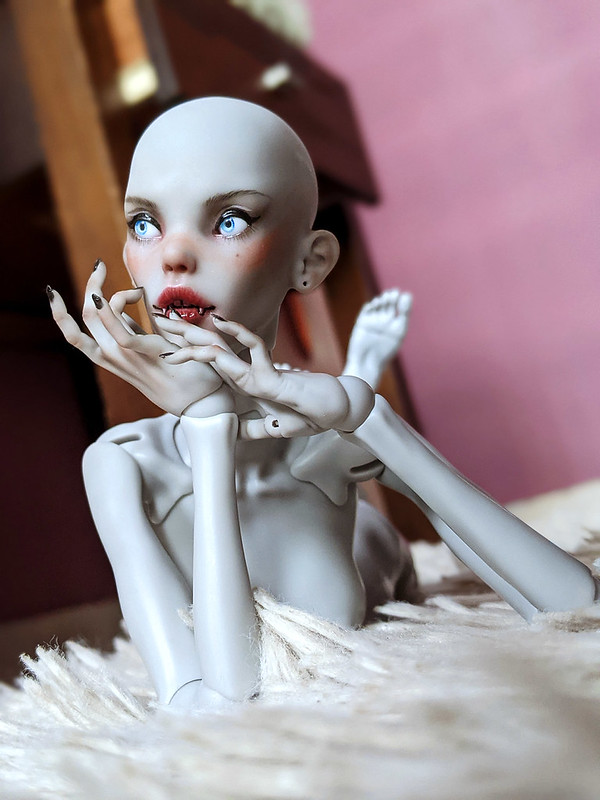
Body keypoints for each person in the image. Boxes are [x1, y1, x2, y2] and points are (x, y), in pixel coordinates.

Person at [47, 97, 598, 709]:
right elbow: (221, 699)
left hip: (371, 544)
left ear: (310, 262)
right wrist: (207, 425)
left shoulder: (329, 443)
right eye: (145, 224)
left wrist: (366, 414)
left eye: (228, 220)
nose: (172, 256)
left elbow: (575, 605)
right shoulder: (122, 466)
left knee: (379, 539)